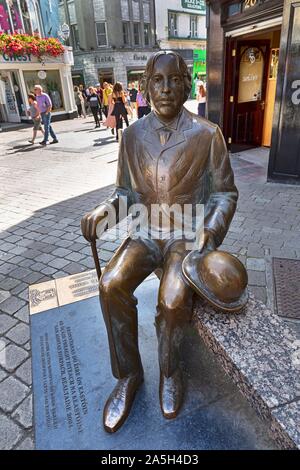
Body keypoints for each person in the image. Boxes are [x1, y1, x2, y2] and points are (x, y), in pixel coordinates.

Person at [81, 51, 238, 433]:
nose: (166, 88)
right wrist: (105, 212)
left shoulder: (207, 133)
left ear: (186, 84)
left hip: (185, 236)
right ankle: (128, 375)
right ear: (146, 86)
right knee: (110, 284)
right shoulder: (133, 135)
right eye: (157, 80)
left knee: (171, 300)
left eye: (174, 80)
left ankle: (170, 372)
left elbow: (225, 194)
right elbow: (123, 191)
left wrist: (211, 230)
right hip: (146, 230)